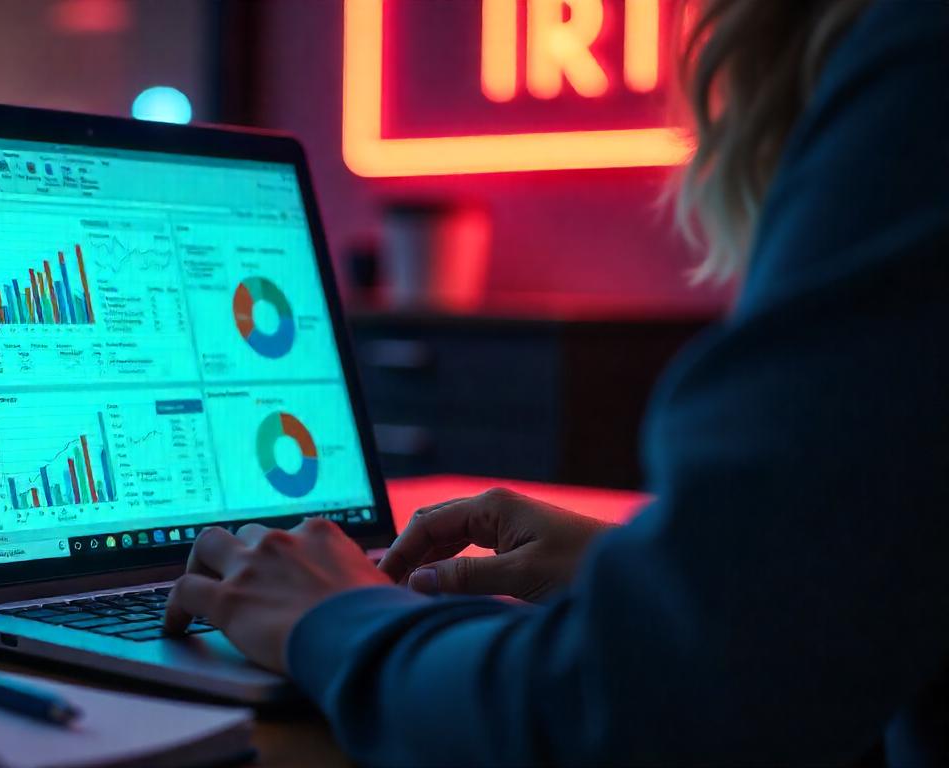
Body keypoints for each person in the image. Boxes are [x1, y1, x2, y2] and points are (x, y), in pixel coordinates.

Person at [162, 0, 949, 764]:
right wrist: (646, 576)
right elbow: (836, 621)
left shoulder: (921, 65)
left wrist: (335, 620)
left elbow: (641, 707)